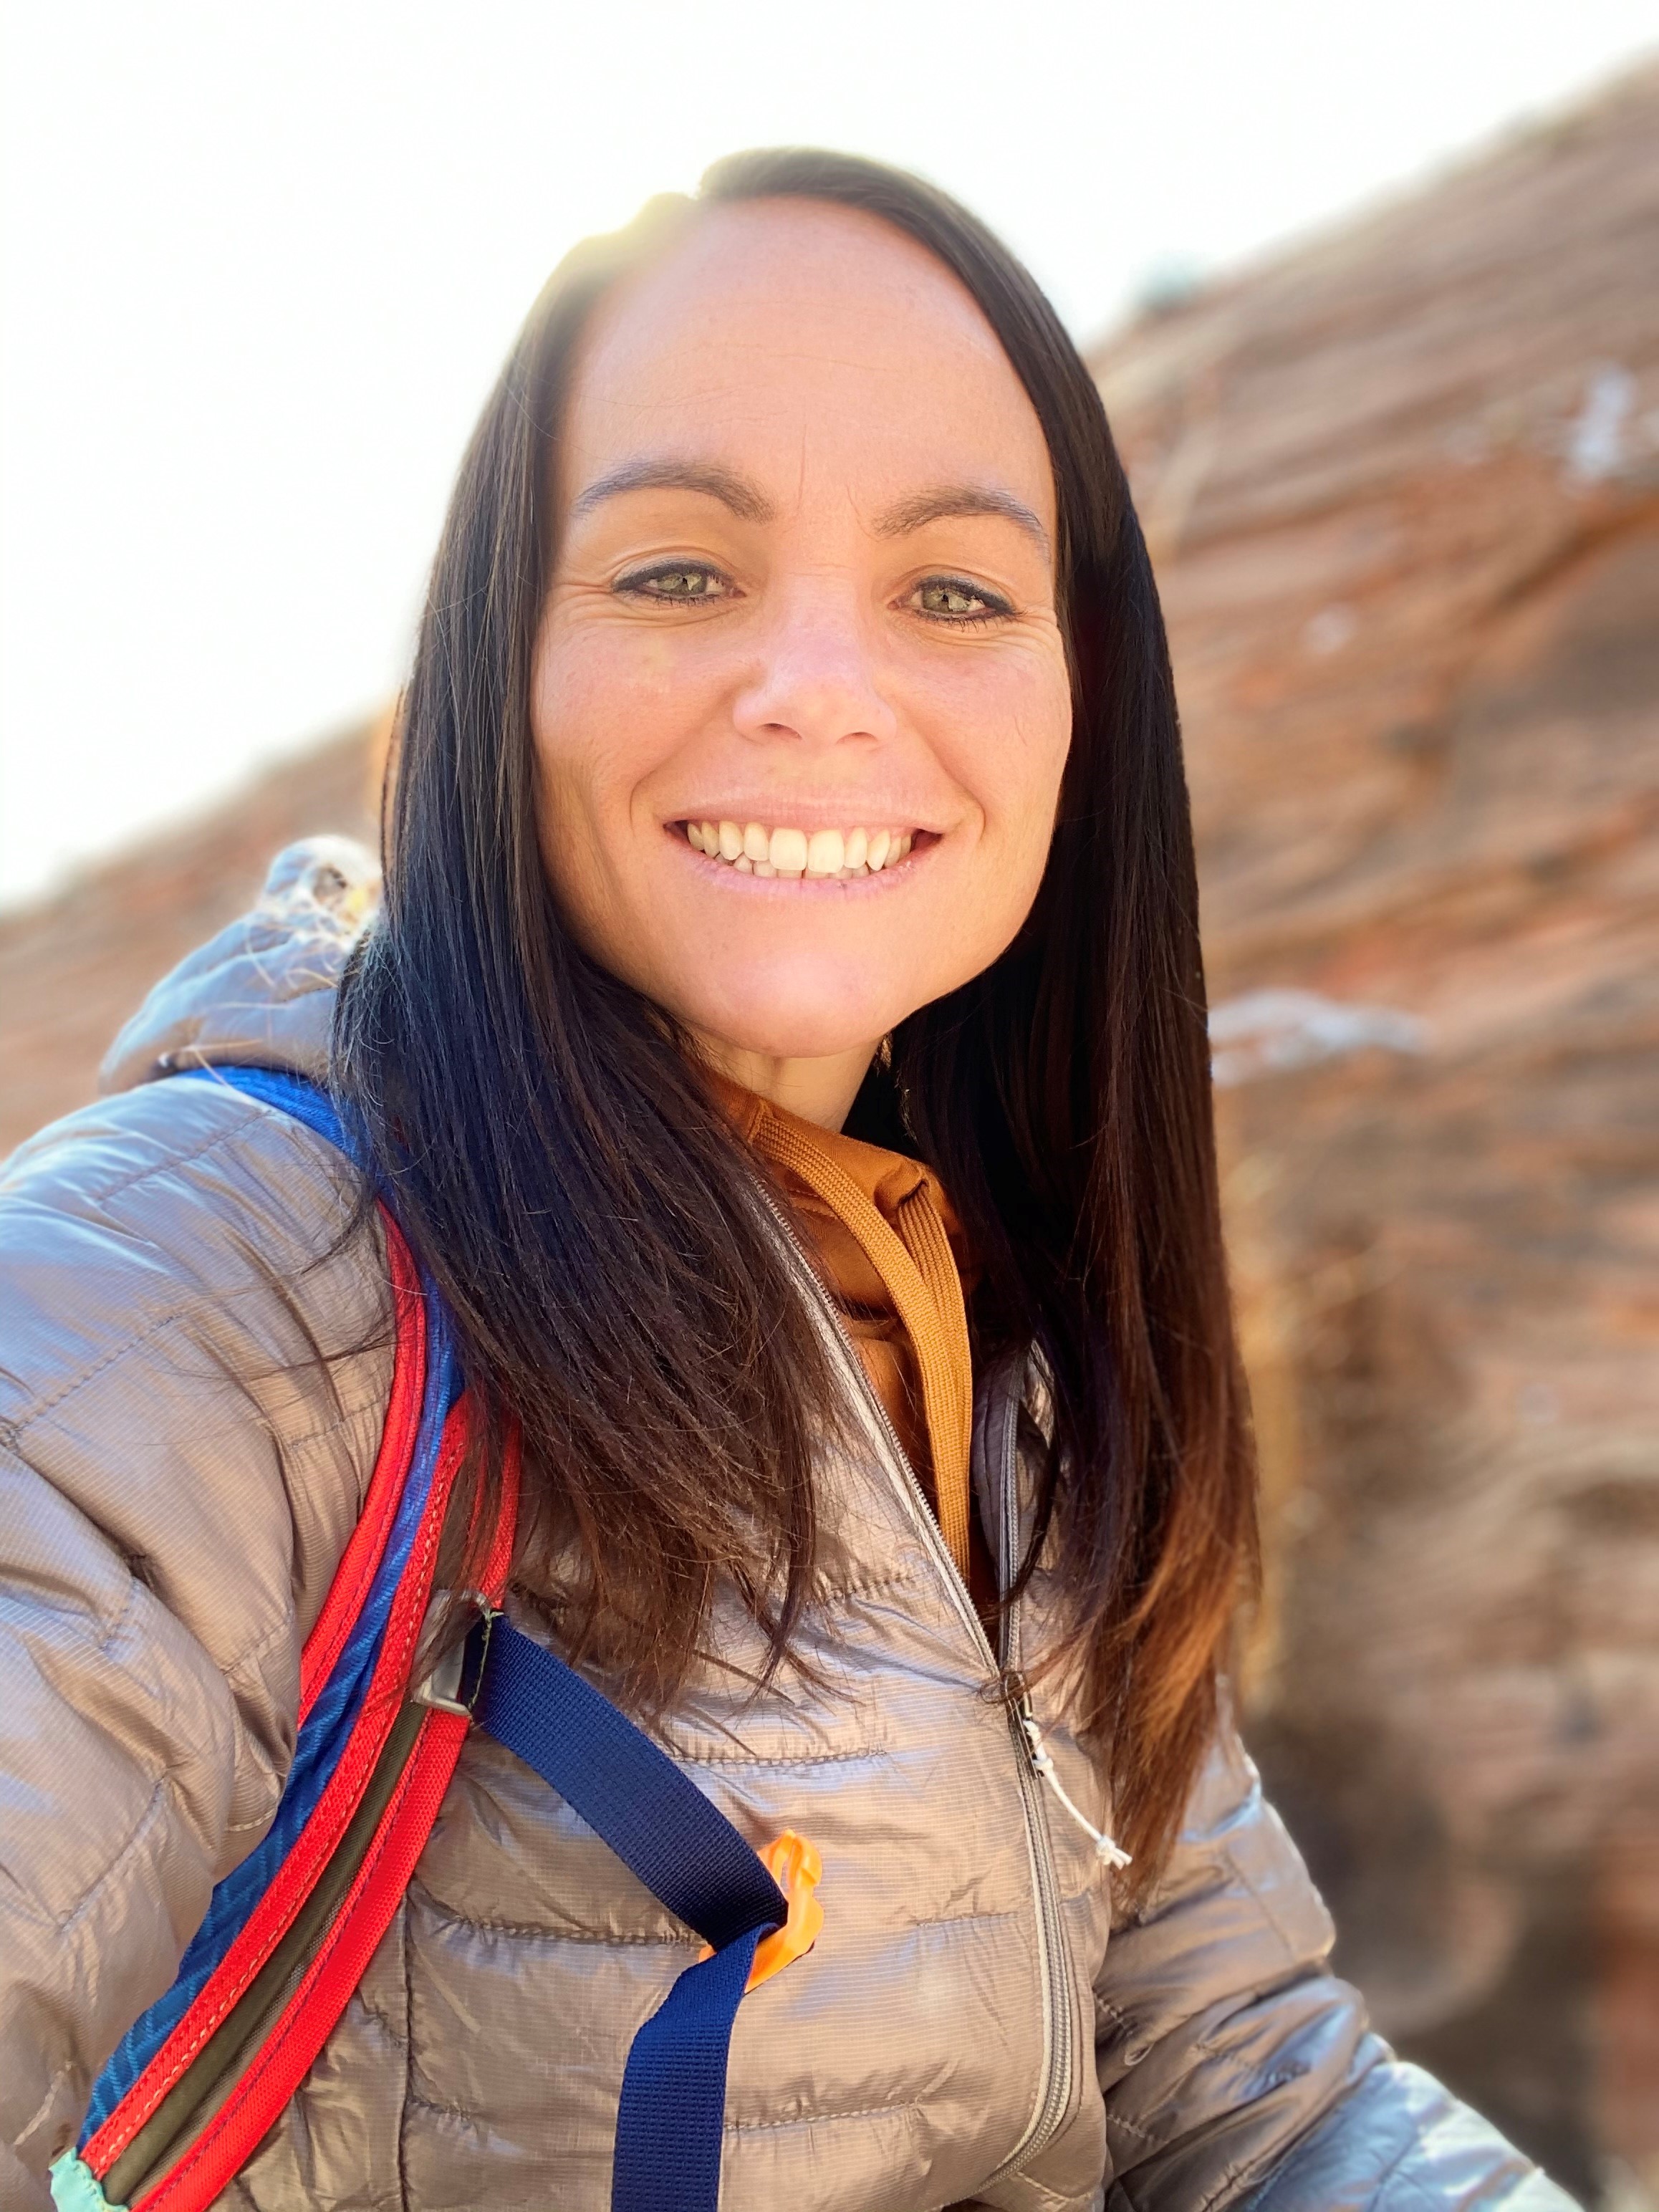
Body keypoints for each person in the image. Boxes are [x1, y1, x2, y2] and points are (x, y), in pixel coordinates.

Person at [0, 151, 1574, 2212]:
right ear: (496, 665)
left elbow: (1243, 2089)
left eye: (955, 593)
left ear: (1083, 708)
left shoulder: (999, 1355)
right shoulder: (203, 1271)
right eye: (677, 572)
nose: (819, 687)